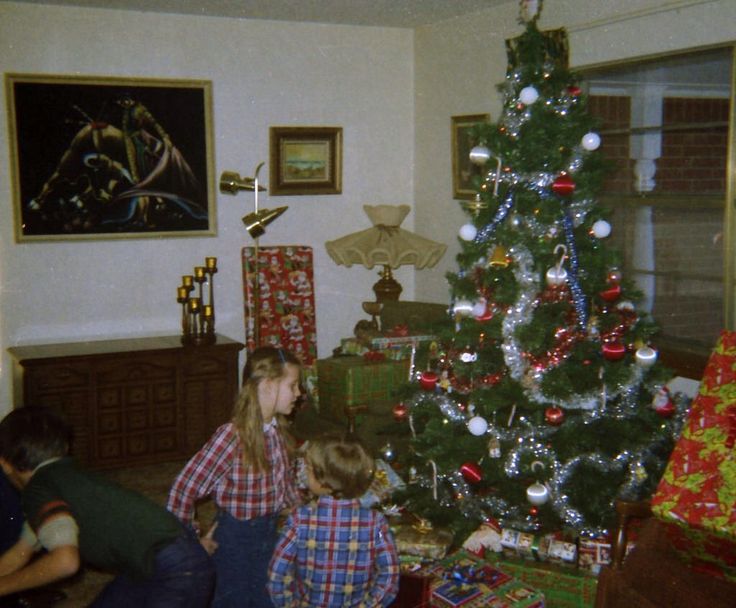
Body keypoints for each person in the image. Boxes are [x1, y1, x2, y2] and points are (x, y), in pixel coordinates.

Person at [0, 407, 214, 607]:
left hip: (175, 572)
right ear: (64, 447)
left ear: (5, 463)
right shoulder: (64, 477)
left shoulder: (38, 489)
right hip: (157, 562)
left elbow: (66, 562)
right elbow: (22, 551)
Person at [167, 346, 302, 608]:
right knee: (234, 599)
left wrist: (302, 514)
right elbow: (183, 489)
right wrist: (191, 543)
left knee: (270, 596)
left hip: (268, 532)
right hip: (234, 540)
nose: (299, 393)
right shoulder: (231, 436)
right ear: (267, 385)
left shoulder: (276, 432)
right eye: (293, 385)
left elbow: (284, 485)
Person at [267, 433, 399, 608]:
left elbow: (277, 572)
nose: (304, 473)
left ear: (322, 479)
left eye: (308, 469)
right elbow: (389, 575)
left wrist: (288, 604)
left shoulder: (300, 520)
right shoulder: (376, 523)